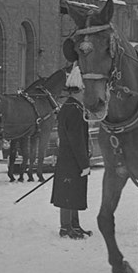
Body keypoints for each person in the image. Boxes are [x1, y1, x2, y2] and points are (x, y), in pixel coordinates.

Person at [50, 63, 92, 239]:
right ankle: (66, 227)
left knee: (73, 192)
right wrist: (84, 163)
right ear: (79, 91)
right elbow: (76, 141)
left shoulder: (71, 107)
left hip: (68, 158)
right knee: (68, 194)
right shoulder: (74, 111)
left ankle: (74, 225)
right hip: (72, 159)